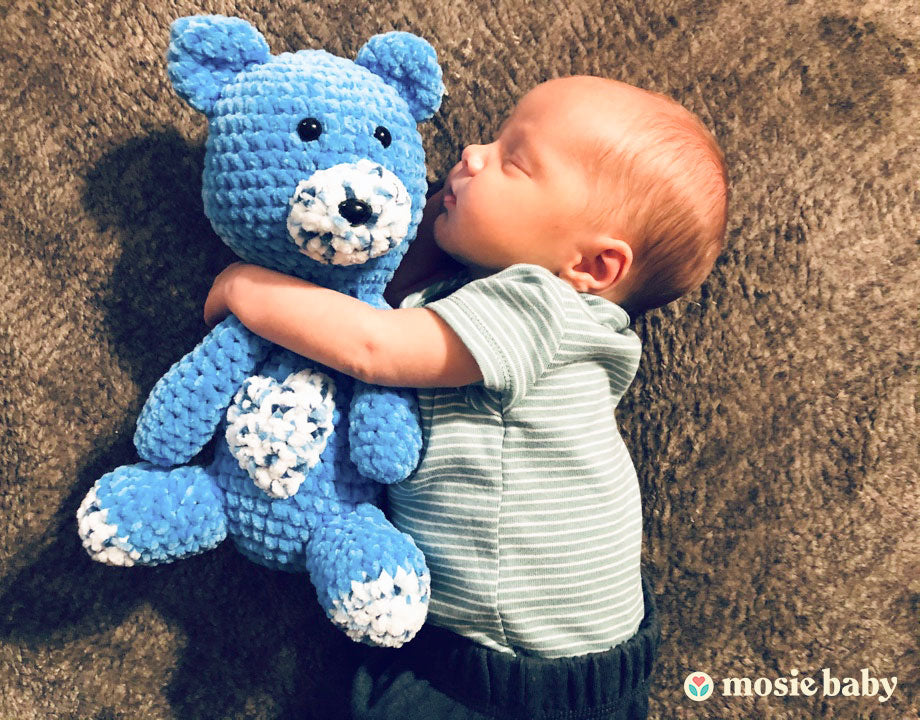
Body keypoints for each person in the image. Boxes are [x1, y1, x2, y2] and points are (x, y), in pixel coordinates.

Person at [204, 75, 729, 719]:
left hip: (516, 673)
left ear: (591, 269)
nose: (472, 154)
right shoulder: (497, 302)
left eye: (514, 160)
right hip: (542, 654)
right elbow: (397, 284)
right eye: (491, 139)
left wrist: (247, 290)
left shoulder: (541, 306)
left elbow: (376, 347)